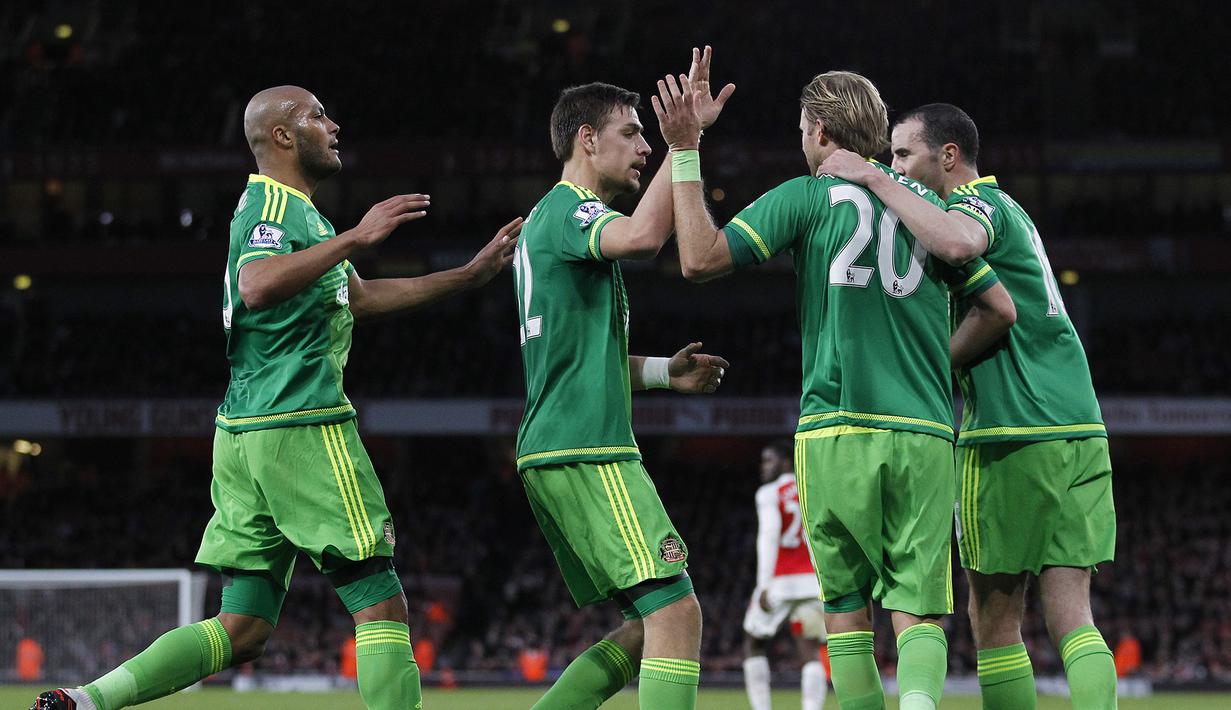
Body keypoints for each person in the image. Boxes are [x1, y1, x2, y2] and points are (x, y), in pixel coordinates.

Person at [32, 85, 522, 710]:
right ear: (284, 137)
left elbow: (359, 298)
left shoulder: (300, 216)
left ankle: (85, 700)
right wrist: (356, 237)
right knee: (379, 599)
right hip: (302, 422)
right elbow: (257, 283)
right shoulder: (273, 204)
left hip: (244, 432)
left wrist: (466, 276)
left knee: (243, 628)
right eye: (318, 116)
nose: (334, 126)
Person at [658, 67, 1007, 710]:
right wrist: (931, 362)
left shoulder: (805, 196)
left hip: (833, 430)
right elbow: (997, 308)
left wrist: (685, 148)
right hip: (923, 430)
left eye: (801, 130)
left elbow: (698, 258)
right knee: (918, 612)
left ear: (819, 131)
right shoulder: (931, 205)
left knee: (845, 614)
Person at [818, 103, 1116, 710]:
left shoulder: (973, 205)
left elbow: (958, 246)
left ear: (948, 156)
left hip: (1012, 428)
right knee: (1073, 616)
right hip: (1082, 427)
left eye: (904, 154)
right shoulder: (1014, 209)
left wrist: (871, 177)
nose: (896, 166)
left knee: (996, 620)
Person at [515, 48, 732, 710]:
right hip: (588, 447)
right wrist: (684, 146)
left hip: (560, 444)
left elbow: (583, 358)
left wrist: (665, 372)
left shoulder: (555, 222)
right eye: (631, 133)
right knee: (676, 612)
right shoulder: (569, 211)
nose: (643, 147)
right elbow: (643, 238)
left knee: (646, 627)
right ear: (586, 139)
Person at [742, 440, 828, 710]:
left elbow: (769, 535)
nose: (763, 467)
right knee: (810, 648)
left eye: (769, 460)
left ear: (786, 462)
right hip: (813, 583)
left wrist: (763, 585)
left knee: (753, 642)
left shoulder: (769, 492)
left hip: (780, 582)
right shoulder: (812, 488)